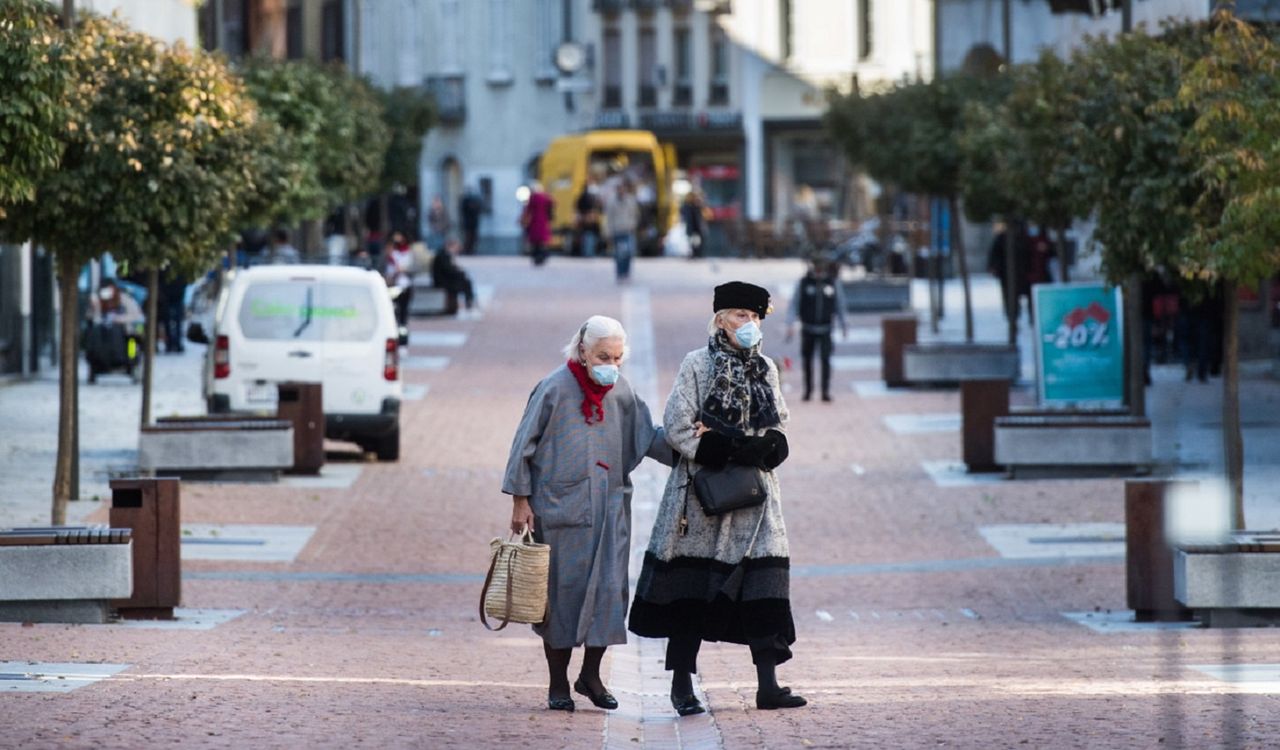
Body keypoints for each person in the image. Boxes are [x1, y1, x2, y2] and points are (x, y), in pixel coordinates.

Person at [629, 281, 806, 716]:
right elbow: (677, 425)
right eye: (742, 316)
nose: (750, 325)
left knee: (764, 586)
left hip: (756, 497)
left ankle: (769, 685)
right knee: (691, 589)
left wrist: (765, 447)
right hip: (701, 498)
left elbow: (778, 426)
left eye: (756, 317)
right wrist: (731, 447)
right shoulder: (696, 364)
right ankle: (681, 686)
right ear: (721, 318)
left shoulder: (766, 367)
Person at [502, 316, 672, 712]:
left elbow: (648, 435)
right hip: (560, 512)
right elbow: (522, 445)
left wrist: (694, 447)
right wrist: (520, 500)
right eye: (602, 356)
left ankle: (590, 675)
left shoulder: (621, 390)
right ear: (582, 350)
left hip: (610, 510)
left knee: (610, 593)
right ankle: (558, 683)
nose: (609, 364)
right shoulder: (553, 389)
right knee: (560, 597)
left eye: (616, 357)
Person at [786, 254, 848, 402]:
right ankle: (808, 390)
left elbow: (840, 305)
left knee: (826, 360)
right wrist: (790, 323)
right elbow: (794, 304)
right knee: (807, 360)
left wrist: (844, 324)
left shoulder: (832, 283)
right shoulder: (804, 283)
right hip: (808, 328)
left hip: (826, 328)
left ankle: (825, 391)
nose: (819, 271)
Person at [430, 238, 476, 316]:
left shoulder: (445, 255)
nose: (457, 250)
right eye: (456, 248)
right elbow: (449, 270)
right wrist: (460, 272)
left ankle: (469, 301)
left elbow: (450, 269)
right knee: (465, 282)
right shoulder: (443, 255)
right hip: (442, 281)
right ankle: (468, 301)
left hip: (446, 279)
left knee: (465, 281)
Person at [604, 180, 640, 282]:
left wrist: (633, 224)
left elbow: (635, 214)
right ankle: (620, 273)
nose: (621, 190)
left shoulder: (631, 200)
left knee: (629, 253)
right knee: (619, 254)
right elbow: (609, 218)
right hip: (617, 230)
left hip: (628, 230)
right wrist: (608, 231)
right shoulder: (611, 201)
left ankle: (626, 272)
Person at [384, 231, 415, 327]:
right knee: (393, 309)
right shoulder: (390, 255)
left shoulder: (408, 252)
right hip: (393, 285)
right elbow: (385, 269)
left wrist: (405, 270)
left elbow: (413, 268)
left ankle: (402, 329)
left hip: (405, 285)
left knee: (403, 310)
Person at [521, 182, 554, 267]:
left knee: (535, 243)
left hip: (534, 222)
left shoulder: (532, 198)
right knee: (542, 242)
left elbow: (528, 210)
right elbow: (552, 205)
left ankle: (537, 258)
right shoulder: (546, 197)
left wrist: (523, 219)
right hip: (544, 221)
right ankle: (543, 257)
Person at [157, 270, 188, 354]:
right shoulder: (177, 269)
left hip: (172, 298)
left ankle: (172, 344)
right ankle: (173, 344)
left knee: (172, 323)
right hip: (172, 298)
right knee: (175, 323)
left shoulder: (165, 269)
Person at [574, 177, 603, 258]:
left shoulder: (583, 196)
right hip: (589, 221)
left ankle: (587, 252)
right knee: (589, 236)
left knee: (587, 236)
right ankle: (588, 253)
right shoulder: (589, 197)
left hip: (587, 221)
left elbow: (577, 207)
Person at [680, 191, 708, 260]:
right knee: (694, 242)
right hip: (694, 227)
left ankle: (696, 254)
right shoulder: (690, 207)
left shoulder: (695, 207)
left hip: (696, 227)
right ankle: (695, 254)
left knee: (696, 242)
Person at [460, 187, 484, 255]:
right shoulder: (465, 201)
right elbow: (464, 211)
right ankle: (467, 250)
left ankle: (471, 250)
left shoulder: (475, 203)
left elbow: (479, 210)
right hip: (468, 224)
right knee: (468, 238)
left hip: (474, 223)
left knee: (474, 238)